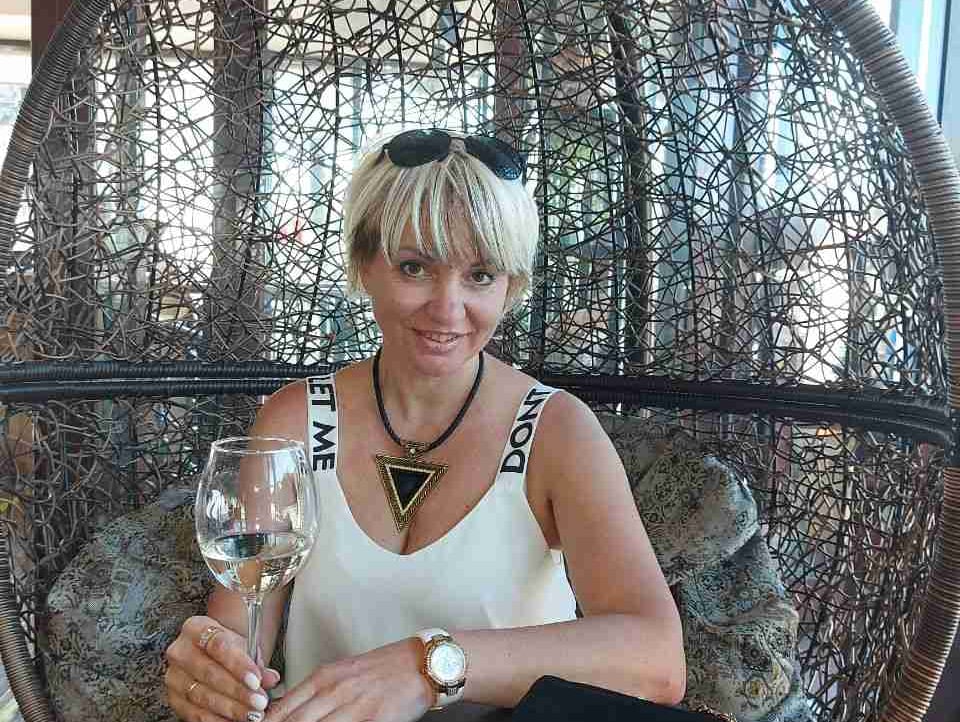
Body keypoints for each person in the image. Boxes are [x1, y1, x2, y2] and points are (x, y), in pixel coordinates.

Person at [163, 128, 685, 722]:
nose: (447, 308)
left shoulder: (556, 432)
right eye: (414, 267)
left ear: (512, 286)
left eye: (481, 275)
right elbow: (240, 634)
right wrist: (213, 673)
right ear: (365, 265)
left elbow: (657, 659)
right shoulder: (297, 422)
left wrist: (427, 666)